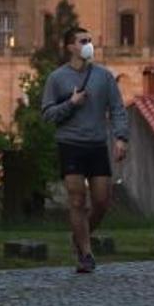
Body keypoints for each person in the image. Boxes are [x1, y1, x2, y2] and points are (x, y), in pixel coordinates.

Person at [41, 27, 129, 274]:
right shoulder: (57, 78)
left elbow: (117, 108)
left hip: (97, 144)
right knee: (77, 199)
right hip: (70, 144)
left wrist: (121, 137)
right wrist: (70, 103)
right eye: (83, 41)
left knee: (102, 201)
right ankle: (85, 253)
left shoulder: (104, 76)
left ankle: (79, 237)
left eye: (90, 40)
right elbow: (47, 114)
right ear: (71, 47)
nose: (89, 44)